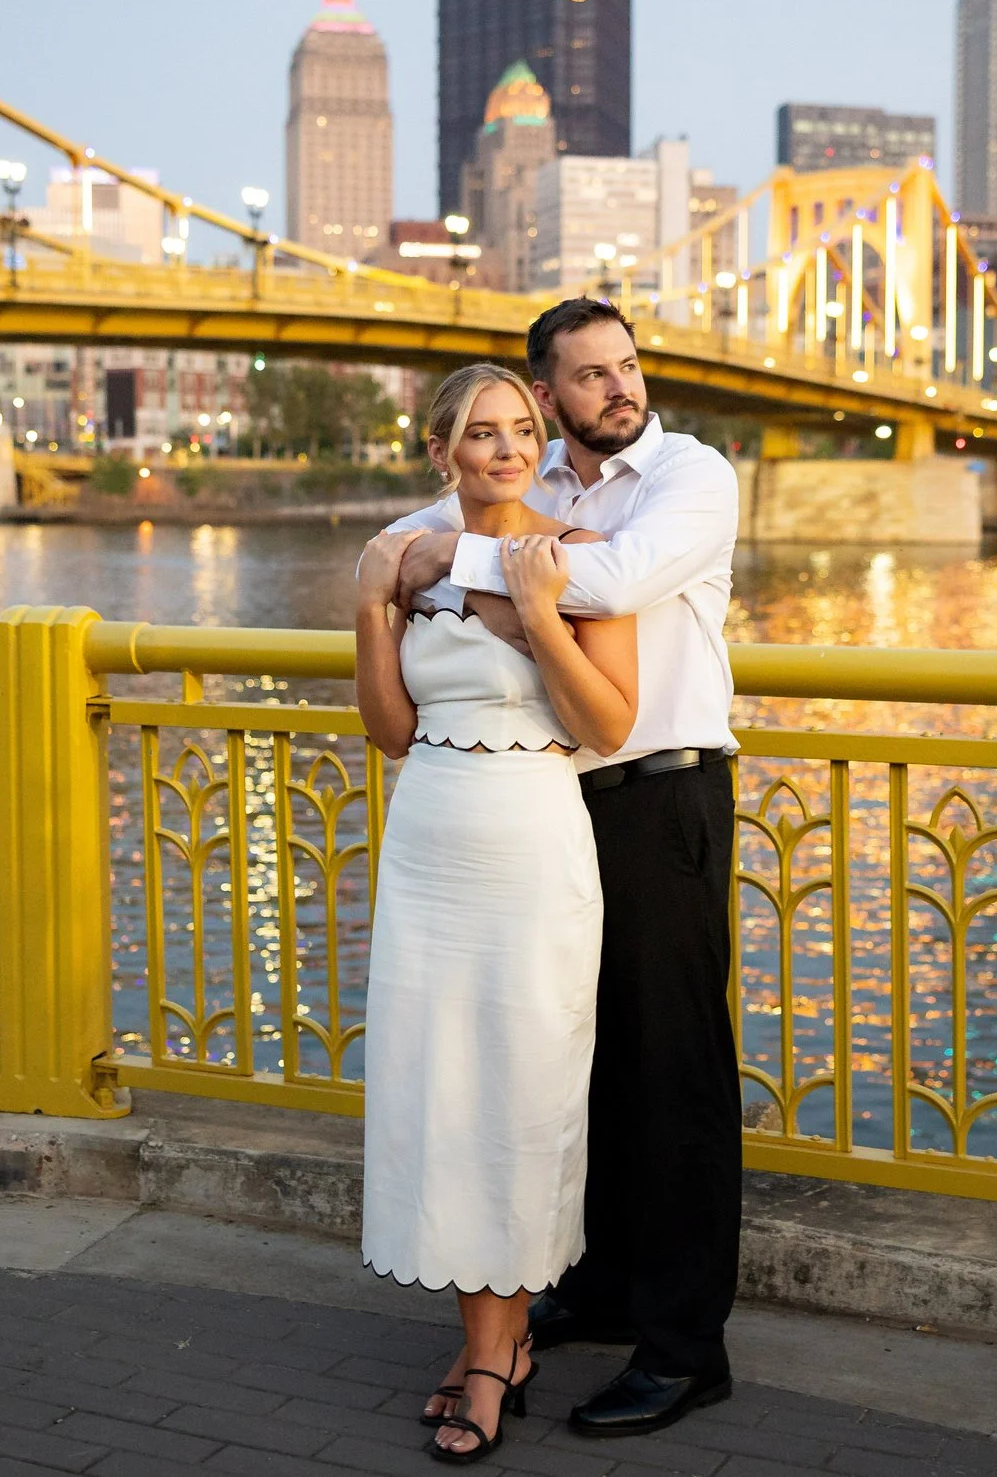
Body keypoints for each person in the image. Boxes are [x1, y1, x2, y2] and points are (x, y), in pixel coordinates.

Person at [382, 298, 743, 1438]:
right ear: (547, 397)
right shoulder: (540, 488)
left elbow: (612, 584)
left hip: (661, 791)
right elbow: (450, 563)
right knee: (582, 1065)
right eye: (588, 375)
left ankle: (686, 1348)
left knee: (672, 1066)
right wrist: (439, 555)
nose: (617, 387)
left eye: (627, 365)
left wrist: (454, 558)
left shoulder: (690, 473)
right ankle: (606, 1283)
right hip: (550, 799)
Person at [354, 363, 640, 1465]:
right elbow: (388, 726)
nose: (510, 447)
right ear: (442, 451)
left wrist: (535, 612)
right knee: (445, 1090)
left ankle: (493, 1353)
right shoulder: (400, 550)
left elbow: (607, 722)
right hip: (428, 838)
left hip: (531, 845)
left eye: (523, 427)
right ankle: (493, 1345)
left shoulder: (580, 557)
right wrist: (369, 608)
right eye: (482, 433)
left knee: (520, 1092)